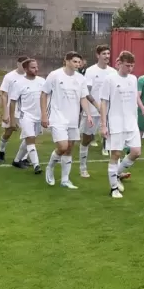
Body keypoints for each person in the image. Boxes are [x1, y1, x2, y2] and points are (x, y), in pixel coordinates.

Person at [40, 51, 94, 189]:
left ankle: (65, 180)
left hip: (73, 118)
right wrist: (44, 115)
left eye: (79, 62)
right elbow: (43, 94)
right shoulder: (55, 75)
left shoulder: (81, 79)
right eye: (75, 61)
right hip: (57, 117)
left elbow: (83, 97)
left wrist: (88, 114)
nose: (77, 64)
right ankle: (50, 167)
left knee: (69, 149)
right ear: (67, 61)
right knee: (62, 147)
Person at [100, 51, 141, 199]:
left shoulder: (133, 79)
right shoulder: (110, 79)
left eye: (132, 66)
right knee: (116, 154)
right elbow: (104, 102)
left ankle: (117, 174)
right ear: (119, 64)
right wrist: (103, 125)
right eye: (127, 65)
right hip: (116, 122)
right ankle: (113, 189)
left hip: (131, 123)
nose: (129, 68)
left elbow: (134, 99)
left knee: (136, 152)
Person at [79, 45, 115, 176]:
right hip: (93, 112)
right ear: (98, 55)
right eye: (104, 54)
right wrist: (97, 106)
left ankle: (115, 171)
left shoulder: (113, 72)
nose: (107, 56)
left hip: (108, 112)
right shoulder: (90, 71)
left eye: (108, 53)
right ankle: (83, 167)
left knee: (113, 139)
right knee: (87, 139)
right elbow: (86, 92)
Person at [8, 58, 45, 174]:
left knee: (29, 138)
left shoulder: (42, 81)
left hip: (39, 116)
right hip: (25, 116)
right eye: (33, 67)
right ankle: (36, 165)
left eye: (37, 67)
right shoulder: (18, 84)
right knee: (31, 138)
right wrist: (12, 120)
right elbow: (12, 102)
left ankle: (16, 160)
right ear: (25, 69)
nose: (36, 69)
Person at [0, 56, 29, 164]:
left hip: (26, 111)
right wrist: (5, 113)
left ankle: (23, 157)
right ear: (18, 64)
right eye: (23, 64)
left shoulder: (29, 76)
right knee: (8, 131)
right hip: (12, 109)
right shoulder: (9, 77)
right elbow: (4, 95)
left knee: (29, 134)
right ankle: (1, 151)